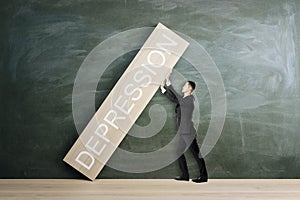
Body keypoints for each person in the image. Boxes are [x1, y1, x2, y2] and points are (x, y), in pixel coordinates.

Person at [160, 71, 208, 183]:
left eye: (185, 85)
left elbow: (177, 98)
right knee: (178, 152)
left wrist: (168, 82)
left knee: (196, 155)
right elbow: (174, 99)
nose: (183, 86)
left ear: (190, 88)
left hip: (188, 132)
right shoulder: (183, 100)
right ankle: (185, 176)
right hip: (183, 132)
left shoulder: (189, 100)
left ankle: (204, 177)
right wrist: (163, 89)